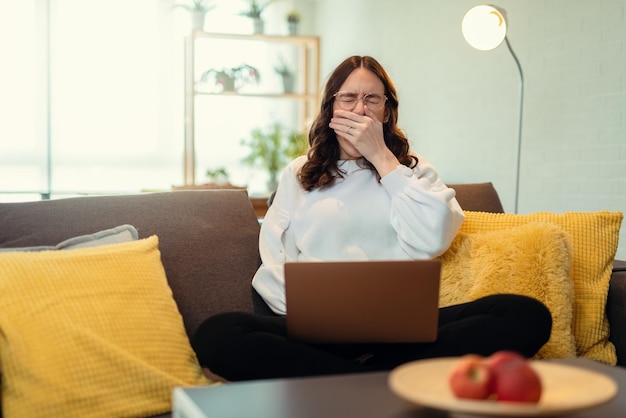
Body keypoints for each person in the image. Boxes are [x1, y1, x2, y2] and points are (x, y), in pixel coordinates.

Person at [192, 55, 552, 381]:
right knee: (218, 334)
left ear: (386, 111)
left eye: (372, 100)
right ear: (331, 108)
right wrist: (314, 317)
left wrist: (382, 158)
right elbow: (274, 259)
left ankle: (343, 380)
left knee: (525, 315)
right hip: (319, 333)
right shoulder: (299, 173)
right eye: (348, 98)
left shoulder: (413, 169)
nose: (360, 110)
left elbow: (434, 238)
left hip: (402, 332)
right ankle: (379, 378)